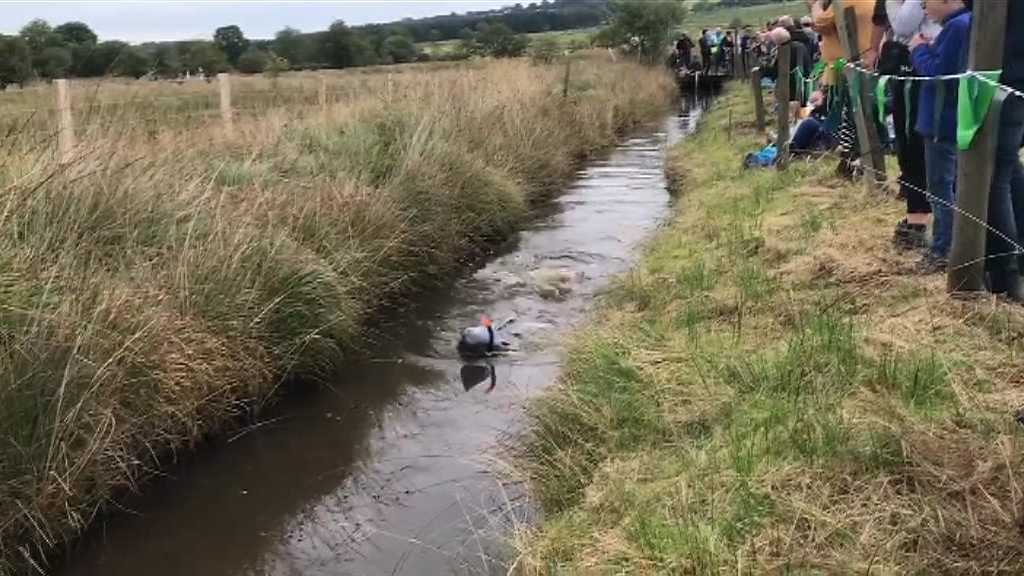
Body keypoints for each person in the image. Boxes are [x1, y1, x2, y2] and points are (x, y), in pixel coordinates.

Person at [871, 0, 942, 252]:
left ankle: (922, 222)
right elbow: (887, 22)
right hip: (913, 69)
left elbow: (902, 23)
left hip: (924, 71)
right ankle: (919, 217)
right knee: (912, 148)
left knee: (919, 149)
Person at [910, 0, 972, 273]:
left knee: (940, 188)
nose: (924, 7)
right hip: (951, 120)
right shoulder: (963, 24)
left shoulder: (957, 27)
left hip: (941, 122)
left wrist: (918, 49)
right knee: (952, 185)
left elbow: (938, 73)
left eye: (928, 1)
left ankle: (942, 250)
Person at [809, 0, 884, 177]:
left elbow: (820, 23)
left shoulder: (843, 1)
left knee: (850, 115)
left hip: (852, 68)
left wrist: (816, 4)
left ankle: (853, 160)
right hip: (857, 65)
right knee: (852, 116)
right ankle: (852, 159)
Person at [984, 0, 1024, 301]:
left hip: (1003, 83)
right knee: (1009, 171)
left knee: (994, 176)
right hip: (1012, 83)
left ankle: (1004, 274)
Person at [762, 27, 812, 120]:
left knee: (795, 113)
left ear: (777, 41)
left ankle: (795, 123)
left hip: (791, 86)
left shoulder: (784, 51)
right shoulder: (800, 45)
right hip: (805, 80)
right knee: (803, 108)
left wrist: (764, 69)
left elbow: (776, 70)